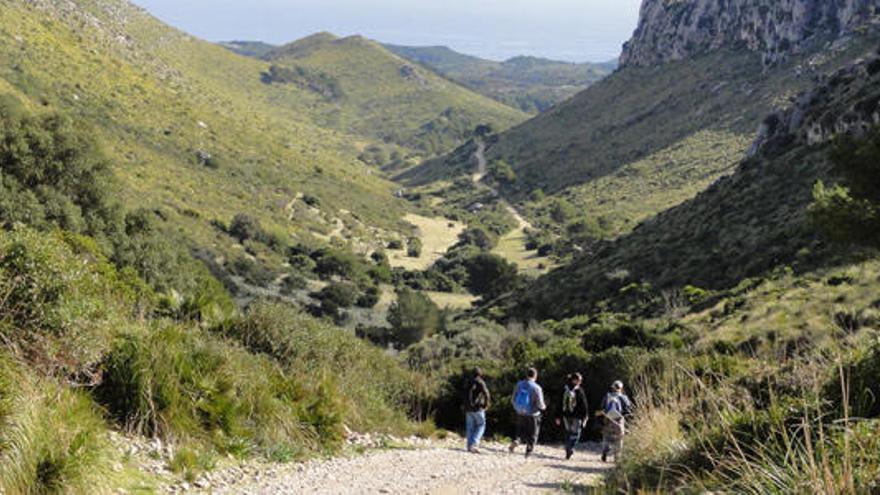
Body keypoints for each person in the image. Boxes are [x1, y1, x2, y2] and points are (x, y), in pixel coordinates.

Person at [508, 367, 546, 458]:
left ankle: (517, 440)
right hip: (533, 414)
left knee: (520, 431)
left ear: (526, 374)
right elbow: (540, 404)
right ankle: (528, 452)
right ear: (535, 376)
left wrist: (517, 408)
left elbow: (513, 399)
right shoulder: (537, 387)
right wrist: (544, 407)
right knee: (533, 434)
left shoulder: (519, 384)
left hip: (520, 412)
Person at [556, 372, 589, 460]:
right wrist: (585, 416)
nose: (580, 382)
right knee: (576, 433)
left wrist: (558, 416)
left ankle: (568, 449)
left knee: (568, 433)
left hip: (565, 415)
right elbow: (584, 405)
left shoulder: (564, 389)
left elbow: (559, 403)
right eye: (580, 380)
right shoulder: (579, 390)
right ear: (575, 380)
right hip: (577, 416)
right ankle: (570, 447)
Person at [599, 380, 633, 463]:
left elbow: (602, 407)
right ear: (621, 388)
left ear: (612, 387)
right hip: (619, 419)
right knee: (619, 438)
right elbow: (628, 409)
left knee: (606, 436)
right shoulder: (623, 397)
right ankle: (617, 457)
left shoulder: (607, 396)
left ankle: (605, 450)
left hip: (608, 418)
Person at [464, 367, 491, 453]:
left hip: (468, 408)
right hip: (478, 408)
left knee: (470, 427)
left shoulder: (467, 382)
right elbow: (486, 394)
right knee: (481, 425)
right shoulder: (480, 382)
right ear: (480, 374)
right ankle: (474, 443)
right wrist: (486, 404)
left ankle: (469, 446)